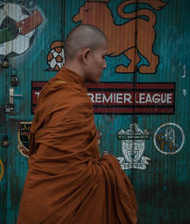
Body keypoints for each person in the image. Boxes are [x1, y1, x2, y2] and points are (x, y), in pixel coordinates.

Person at [17, 24, 138, 223]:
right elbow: (72, 172)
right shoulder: (74, 100)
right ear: (87, 55)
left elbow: (59, 156)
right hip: (60, 212)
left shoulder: (54, 88)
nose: (105, 64)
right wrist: (109, 163)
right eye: (103, 57)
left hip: (38, 202)